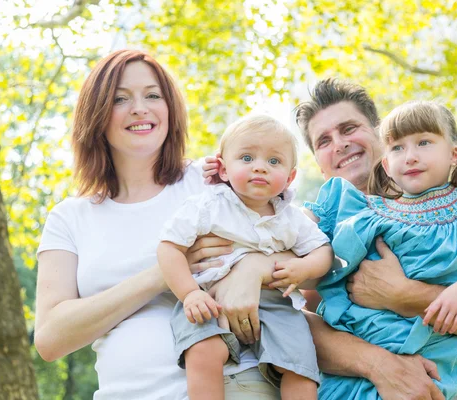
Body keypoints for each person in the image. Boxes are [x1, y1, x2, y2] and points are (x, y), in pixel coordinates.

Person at [34, 49, 288, 399]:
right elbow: (49, 339)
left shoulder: (212, 181)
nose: (140, 108)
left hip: (238, 385)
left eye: (152, 95)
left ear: (170, 109)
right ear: (96, 115)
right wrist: (163, 273)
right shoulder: (69, 217)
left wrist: (253, 268)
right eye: (120, 99)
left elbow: (299, 248)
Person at [295, 78, 457, 399]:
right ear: (320, 167)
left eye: (349, 128)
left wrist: (403, 294)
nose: (338, 144)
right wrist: (379, 365)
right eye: (323, 141)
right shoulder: (318, 234)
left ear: (379, 136)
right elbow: (286, 319)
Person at [157, 114, 333, 400]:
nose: (260, 167)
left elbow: (322, 251)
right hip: (208, 297)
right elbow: (169, 247)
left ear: (289, 178)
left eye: (274, 162)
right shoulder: (207, 206)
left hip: (277, 303)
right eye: (247, 158)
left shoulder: (291, 217)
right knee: (203, 350)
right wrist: (189, 293)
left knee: (298, 365)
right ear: (224, 169)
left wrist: (303, 266)